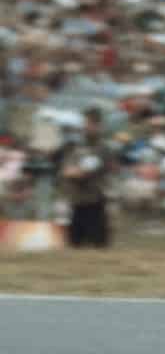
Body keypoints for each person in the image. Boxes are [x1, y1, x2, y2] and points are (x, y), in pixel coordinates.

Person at [58, 107, 115, 249]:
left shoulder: (102, 148)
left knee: (98, 245)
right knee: (74, 245)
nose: (86, 127)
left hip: (94, 200)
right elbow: (65, 169)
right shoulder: (77, 146)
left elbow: (84, 172)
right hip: (77, 201)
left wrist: (73, 171)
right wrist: (71, 171)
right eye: (85, 123)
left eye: (89, 124)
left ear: (98, 126)